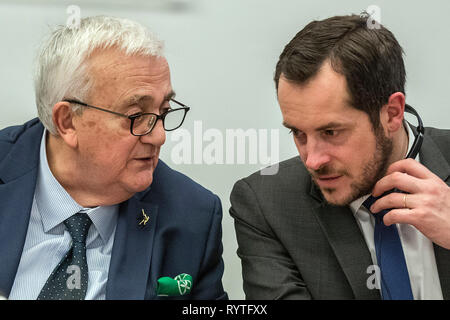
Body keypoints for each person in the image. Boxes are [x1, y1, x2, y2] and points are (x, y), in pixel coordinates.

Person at [0, 16, 227, 300]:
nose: (159, 137)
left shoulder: (191, 216)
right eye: (136, 116)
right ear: (67, 122)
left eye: (164, 112)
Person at [230, 13, 450, 300]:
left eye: (331, 132)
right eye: (298, 133)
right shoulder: (266, 206)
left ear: (392, 113)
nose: (313, 160)